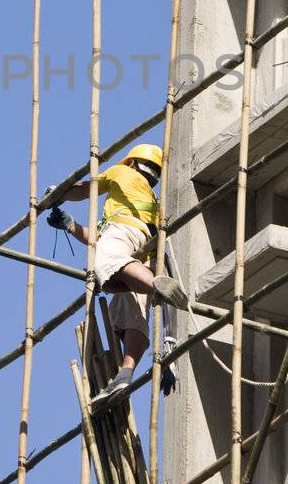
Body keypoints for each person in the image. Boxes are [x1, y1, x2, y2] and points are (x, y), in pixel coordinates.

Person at [45, 143, 188, 405]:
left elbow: (84, 189)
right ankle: (126, 371)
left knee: (107, 261)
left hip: (123, 240)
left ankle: (152, 284)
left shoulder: (123, 174)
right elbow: (98, 238)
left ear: (132, 162)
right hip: (139, 252)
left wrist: (59, 194)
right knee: (127, 307)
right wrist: (69, 224)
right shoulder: (147, 202)